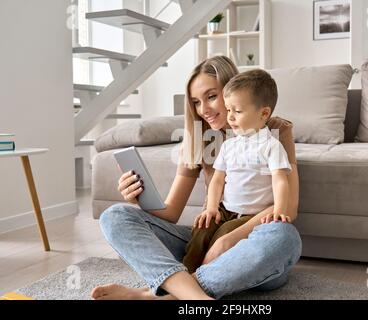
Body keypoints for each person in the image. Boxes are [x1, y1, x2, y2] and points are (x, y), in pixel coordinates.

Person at [91, 56, 301, 300]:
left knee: (284, 237)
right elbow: (170, 213)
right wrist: (138, 198)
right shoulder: (199, 137)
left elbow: (289, 207)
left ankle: (155, 296)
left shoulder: (275, 130)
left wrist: (230, 240)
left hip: (252, 242)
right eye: (195, 102)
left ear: (233, 89)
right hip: (207, 238)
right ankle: (194, 294)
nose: (204, 110)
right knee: (115, 216)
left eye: (212, 97)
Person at [183, 69, 293, 273]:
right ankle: (185, 271)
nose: (230, 117)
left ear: (263, 114)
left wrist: (279, 208)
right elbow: (217, 180)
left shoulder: (271, 145)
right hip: (226, 209)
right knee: (202, 228)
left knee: (224, 233)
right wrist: (212, 208)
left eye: (237, 111)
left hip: (251, 215)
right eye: (228, 109)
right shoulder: (228, 145)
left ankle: (206, 274)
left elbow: (280, 180)